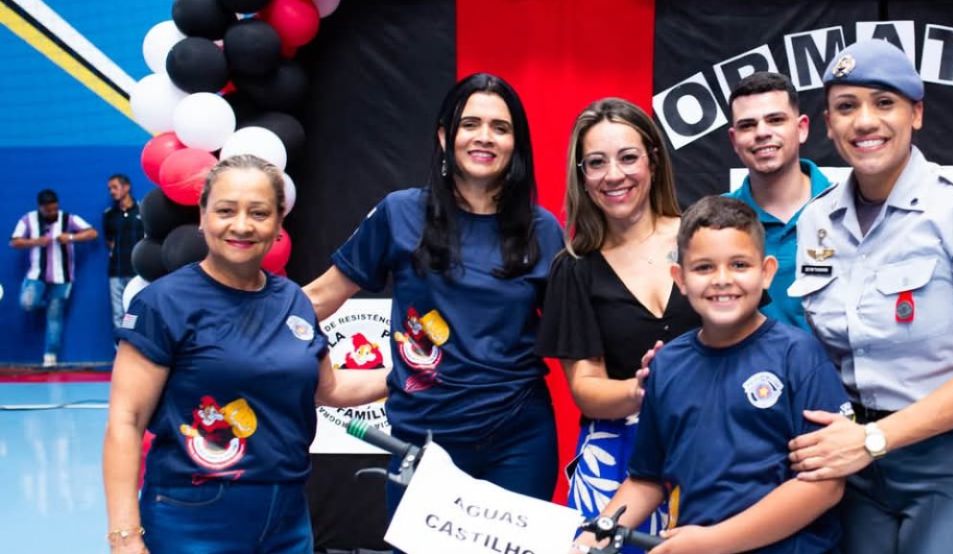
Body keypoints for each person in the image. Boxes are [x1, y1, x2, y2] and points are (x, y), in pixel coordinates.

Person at [785, 40, 953, 553]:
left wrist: (875, 439)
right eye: (846, 107)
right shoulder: (815, 221)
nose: (864, 121)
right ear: (828, 124)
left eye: (884, 102)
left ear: (916, 113)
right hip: (859, 469)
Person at [303, 74, 566, 515]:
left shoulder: (543, 229)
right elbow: (317, 298)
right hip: (422, 442)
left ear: (516, 144)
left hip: (519, 442)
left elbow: (579, 334)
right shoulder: (400, 213)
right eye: (470, 124)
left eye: (500, 128)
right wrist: (237, 326)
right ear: (445, 136)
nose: (485, 137)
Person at [102, 155, 390, 554]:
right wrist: (125, 536)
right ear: (202, 218)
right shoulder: (163, 304)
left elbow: (332, 388)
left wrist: (413, 373)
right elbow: (125, 421)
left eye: (259, 213)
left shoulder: (293, 300)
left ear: (277, 227)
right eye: (225, 210)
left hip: (287, 517)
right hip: (193, 515)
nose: (241, 225)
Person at [576, 196, 850, 554]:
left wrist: (712, 543)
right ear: (680, 278)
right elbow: (647, 478)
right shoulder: (668, 365)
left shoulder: (799, 357)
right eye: (704, 268)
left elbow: (825, 486)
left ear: (766, 272)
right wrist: (592, 536)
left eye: (739, 264)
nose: (722, 280)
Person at [537, 98, 701, 537]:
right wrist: (639, 389)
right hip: (617, 459)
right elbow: (586, 390)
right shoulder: (574, 267)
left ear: (652, 159)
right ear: (582, 176)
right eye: (596, 162)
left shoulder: (702, 238)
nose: (614, 175)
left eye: (628, 157)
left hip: (711, 444)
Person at [722, 71, 832, 331]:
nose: (762, 133)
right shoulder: (717, 222)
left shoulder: (847, 209)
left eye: (775, 120)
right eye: (747, 125)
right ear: (734, 139)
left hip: (837, 371)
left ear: (801, 128)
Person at [10, 188, 97, 367]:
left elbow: (92, 233)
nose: (52, 213)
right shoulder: (29, 219)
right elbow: (14, 241)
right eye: (48, 210)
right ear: (40, 208)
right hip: (37, 276)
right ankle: (43, 301)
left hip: (62, 278)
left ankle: (50, 358)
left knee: (54, 317)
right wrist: (35, 242)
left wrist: (71, 237)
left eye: (54, 209)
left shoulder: (68, 219)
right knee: (28, 303)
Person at [103, 173, 144, 332]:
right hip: (116, 272)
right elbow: (109, 241)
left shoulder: (142, 210)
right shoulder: (109, 214)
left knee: (136, 313)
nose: (112, 191)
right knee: (118, 313)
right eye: (109, 189)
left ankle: (138, 352)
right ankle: (121, 353)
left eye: (115, 187)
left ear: (126, 187)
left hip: (138, 272)